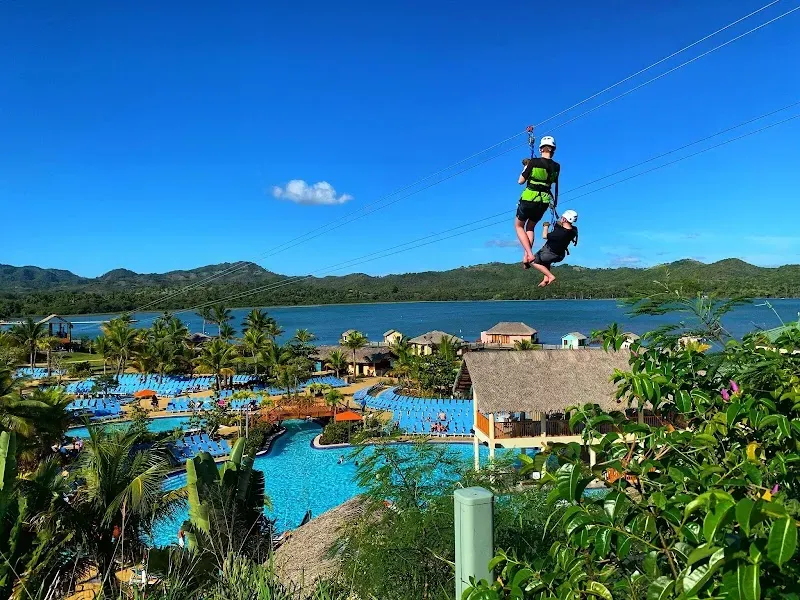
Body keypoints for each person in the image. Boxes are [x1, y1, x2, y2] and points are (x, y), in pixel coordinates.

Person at [515, 136, 560, 268]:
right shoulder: (557, 166)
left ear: (541, 149)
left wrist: (526, 167)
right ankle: (526, 255)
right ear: (553, 150)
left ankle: (529, 253)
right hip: (544, 200)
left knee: (518, 226)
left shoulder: (533, 162)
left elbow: (520, 181)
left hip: (529, 198)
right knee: (530, 227)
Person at [531, 210, 578, 287]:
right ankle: (545, 279)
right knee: (546, 262)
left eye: (562, 217)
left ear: (565, 219)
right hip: (560, 255)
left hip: (549, 253)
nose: (560, 218)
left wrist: (545, 226)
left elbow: (545, 236)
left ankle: (550, 276)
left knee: (533, 261)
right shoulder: (574, 230)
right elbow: (562, 227)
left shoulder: (559, 234)